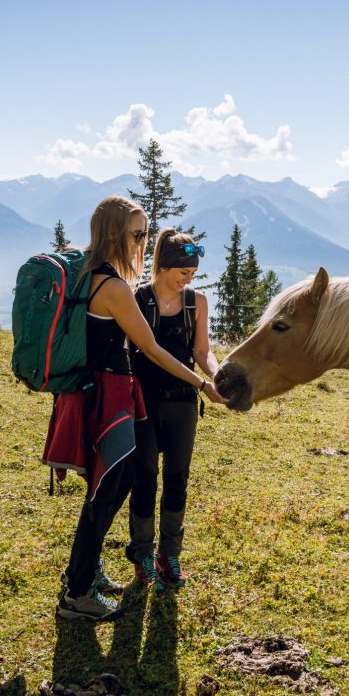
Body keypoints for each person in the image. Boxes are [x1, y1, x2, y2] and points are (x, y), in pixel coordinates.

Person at [51, 196, 225, 621]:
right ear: (115, 233)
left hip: (95, 395)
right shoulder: (116, 288)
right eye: (138, 233)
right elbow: (150, 348)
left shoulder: (90, 275)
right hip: (110, 400)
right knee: (110, 489)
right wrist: (203, 383)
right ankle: (78, 590)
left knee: (109, 486)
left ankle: (86, 573)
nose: (143, 240)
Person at [126, 228, 220, 591]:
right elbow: (150, 352)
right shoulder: (138, 299)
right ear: (163, 266)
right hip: (144, 401)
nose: (188, 280)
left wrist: (217, 375)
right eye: (183, 272)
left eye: (193, 274)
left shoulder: (197, 303)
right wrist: (201, 383)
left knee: (178, 477)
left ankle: (169, 554)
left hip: (181, 402)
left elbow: (201, 351)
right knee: (145, 477)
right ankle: (142, 556)